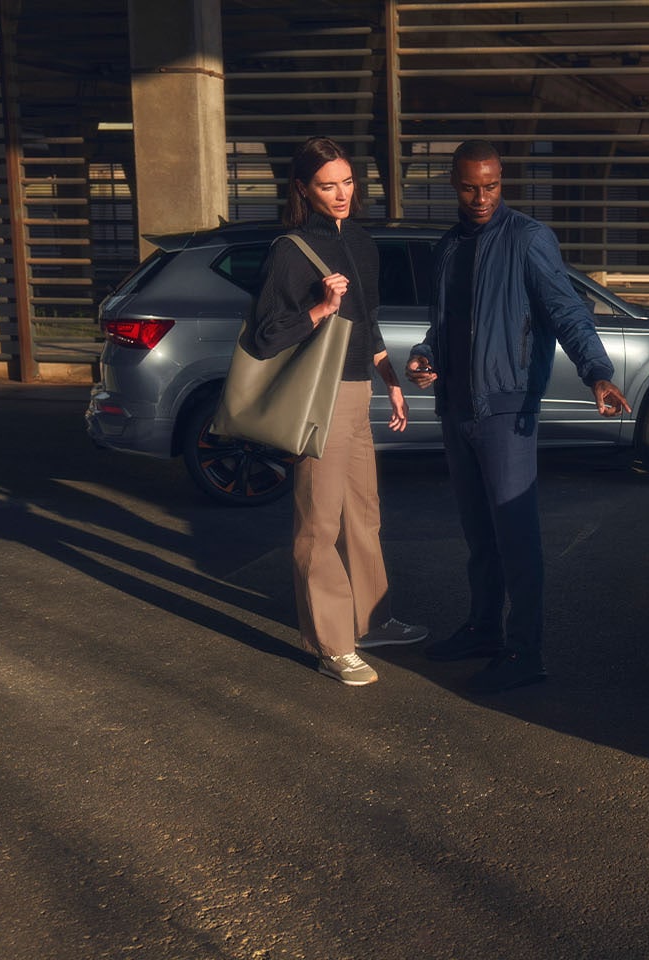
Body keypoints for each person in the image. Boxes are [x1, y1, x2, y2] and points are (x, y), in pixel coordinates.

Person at [405, 139, 630, 695]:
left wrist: (597, 373)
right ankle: (483, 628)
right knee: (478, 535)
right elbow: (444, 326)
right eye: (469, 187)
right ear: (452, 184)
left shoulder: (528, 239)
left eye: (492, 186)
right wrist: (425, 358)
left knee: (516, 538)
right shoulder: (448, 247)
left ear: (502, 182)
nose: (481, 197)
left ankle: (524, 651)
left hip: (507, 409)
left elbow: (567, 310)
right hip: (457, 408)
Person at [251, 135, 427, 686]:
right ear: (303, 188)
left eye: (347, 182)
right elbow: (264, 336)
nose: (342, 193)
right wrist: (321, 308)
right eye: (328, 185)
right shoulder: (290, 250)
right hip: (318, 395)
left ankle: (372, 620)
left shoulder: (361, 241)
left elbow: (369, 321)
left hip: (359, 390)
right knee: (319, 523)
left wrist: (391, 379)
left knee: (363, 513)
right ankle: (333, 644)